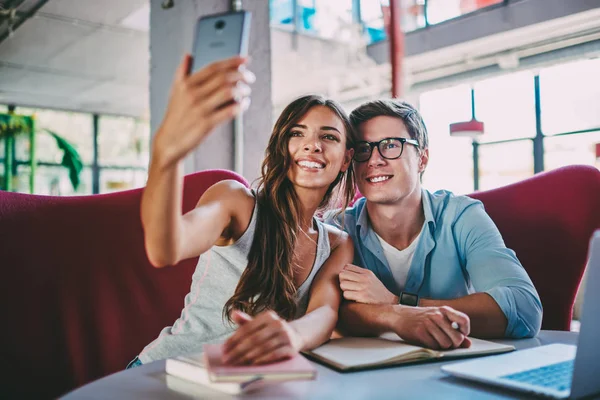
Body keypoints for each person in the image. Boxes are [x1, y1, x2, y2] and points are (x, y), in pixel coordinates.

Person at [129, 54, 356, 368]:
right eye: (296, 133)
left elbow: (325, 312)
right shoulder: (236, 201)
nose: (312, 145)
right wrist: (167, 153)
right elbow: (164, 248)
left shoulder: (337, 244)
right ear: (281, 145)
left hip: (243, 385)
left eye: (328, 137)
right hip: (166, 372)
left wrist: (293, 336)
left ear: (346, 159)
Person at [327, 99, 543, 350]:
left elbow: (524, 308)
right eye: (363, 149)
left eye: (390, 145)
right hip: (363, 376)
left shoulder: (461, 216)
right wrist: (395, 315)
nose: (374, 160)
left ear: (422, 159)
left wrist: (397, 302)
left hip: (456, 370)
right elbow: (321, 314)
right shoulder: (336, 228)